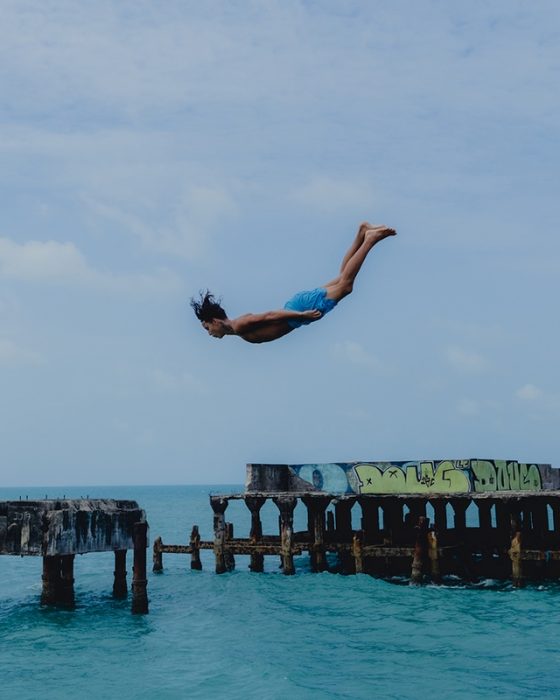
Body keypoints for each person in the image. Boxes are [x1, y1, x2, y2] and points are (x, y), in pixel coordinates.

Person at [191, 222, 396, 344]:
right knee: (342, 277)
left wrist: (302, 315)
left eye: (207, 328)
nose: (209, 333)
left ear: (216, 321)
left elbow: (270, 315)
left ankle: (370, 239)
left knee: (346, 285)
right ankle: (361, 233)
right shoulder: (238, 327)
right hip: (296, 308)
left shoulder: (240, 325)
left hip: (299, 310)